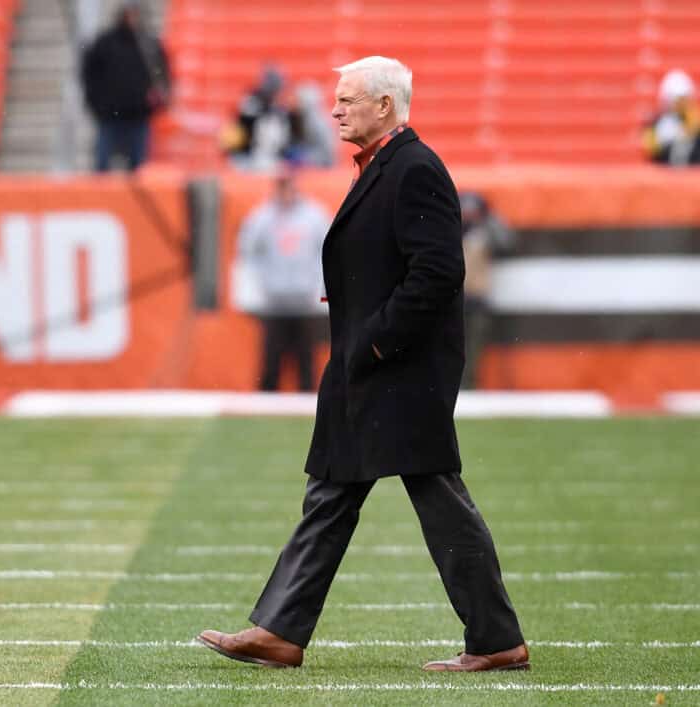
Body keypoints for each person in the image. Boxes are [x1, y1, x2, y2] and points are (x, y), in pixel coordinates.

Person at [198, 56, 528, 672]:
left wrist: (375, 342)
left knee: (434, 497)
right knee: (332, 493)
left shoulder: (415, 169)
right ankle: (281, 632)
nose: (334, 110)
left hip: (398, 372)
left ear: (385, 105)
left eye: (347, 100)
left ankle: (496, 639)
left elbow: (437, 273)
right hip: (371, 369)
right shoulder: (383, 167)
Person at [236, 167, 330, 391]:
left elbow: (327, 253)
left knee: (306, 362)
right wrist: (255, 291)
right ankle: (266, 407)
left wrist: (321, 291)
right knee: (271, 362)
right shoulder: (261, 217)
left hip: (305, 302)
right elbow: (248, 253)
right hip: (274, 303)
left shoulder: (314, 216)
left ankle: (309, 407)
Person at [80, 1, 170, 172]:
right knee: (102, 166)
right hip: (109, 116)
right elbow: (89, 76)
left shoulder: (149, 44)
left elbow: (163, 76)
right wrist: (97, 105)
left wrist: (155, 102)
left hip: (138, 117)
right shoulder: (104, 44)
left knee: (138, 168)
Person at [458, 191, 514, 389]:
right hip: (452, 301)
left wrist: (489, 217)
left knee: (474, 350)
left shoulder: (483, 234)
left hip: (477, 299)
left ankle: (469, 387)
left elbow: (506, 241)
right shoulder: (449, 232)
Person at [222, 66, 294, 171]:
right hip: (246, 156)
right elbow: (242, 125)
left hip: (266, 156)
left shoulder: (279, 110)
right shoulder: (252, 101)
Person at [642, 69, 700, 166]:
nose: (682, 104)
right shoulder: (657, 122)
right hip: (666, 175)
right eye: (679, 100)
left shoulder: (694, 119)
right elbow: (651, 150)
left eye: (684, 99)